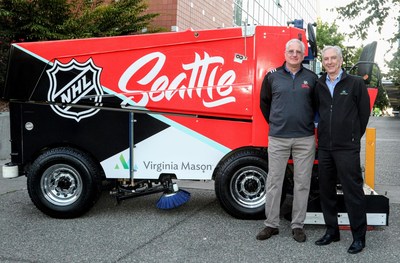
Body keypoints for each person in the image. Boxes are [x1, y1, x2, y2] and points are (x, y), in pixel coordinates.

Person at [257, 38, 317, 242]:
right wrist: (276, 122)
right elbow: (265, 103)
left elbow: (318, 106)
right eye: (290, 51)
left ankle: (297, 225)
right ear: (285, 54)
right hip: (278, 138)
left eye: (298, 52)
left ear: (303, 55)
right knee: (274, 181)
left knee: (302, 183)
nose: (294, 55)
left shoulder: (312, 77)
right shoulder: (272, 77)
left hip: (305, 139)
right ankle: (271, 225)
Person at [314, 45, 370, 254]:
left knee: (352, 192)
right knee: (326, 191)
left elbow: (363, 114)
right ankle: (332, 231)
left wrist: (353, 136)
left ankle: (358, 237)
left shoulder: (355, 83)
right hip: (325, 147)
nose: (329, 62)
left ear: (340, 59)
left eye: (333, 58)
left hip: (347, 147)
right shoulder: (319, 84)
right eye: (325, 59)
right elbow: (317, 111)